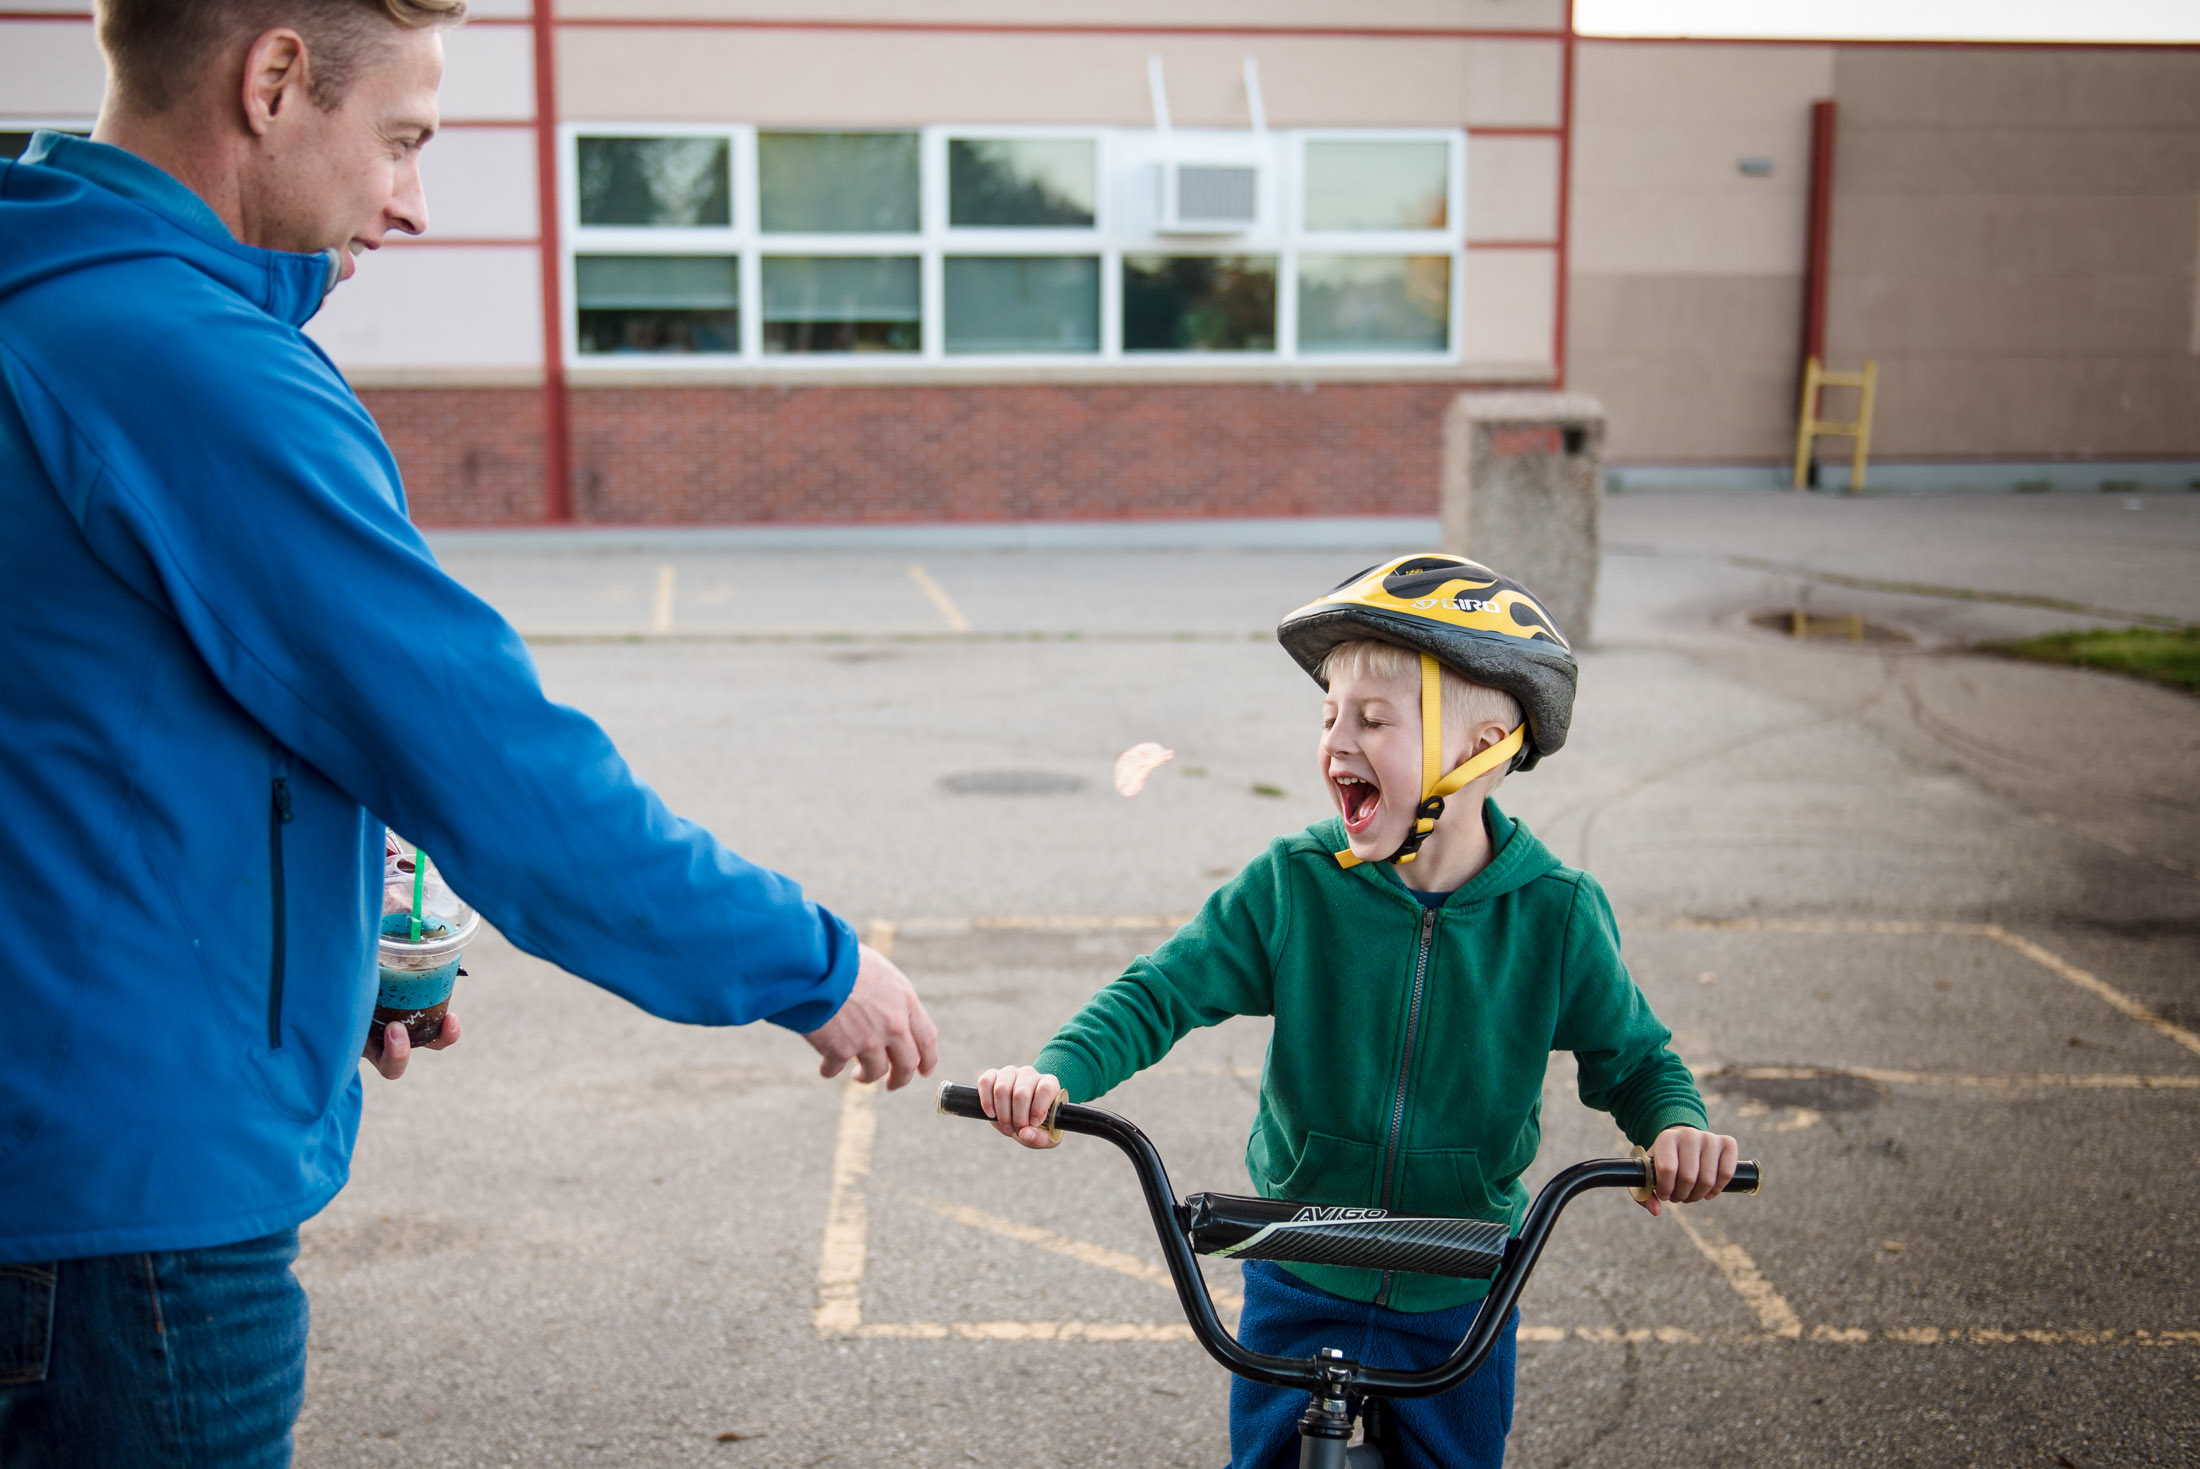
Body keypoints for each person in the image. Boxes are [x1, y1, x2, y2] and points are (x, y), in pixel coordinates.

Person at [0, 2, 936, 1464]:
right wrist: (812, 963)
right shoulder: (186, 366)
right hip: (131, 1220)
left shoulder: (42, 306)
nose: (414, 203)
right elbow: (496, 766)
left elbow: (77, 753)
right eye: (404, 141)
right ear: (274, 79)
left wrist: (329, 956)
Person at [977, 554, 1738, 1469]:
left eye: (1373, 719)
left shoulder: (1555, 914)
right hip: (1300, 1262)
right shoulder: (1296, 885)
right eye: (1329, 714)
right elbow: (1159, 991)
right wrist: (1058, 1070)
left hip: (1458, 1281)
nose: (1338, 738)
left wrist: (1676, 1128)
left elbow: (1637, 1059)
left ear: (1480, 747)